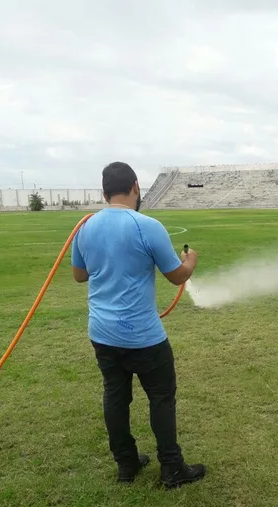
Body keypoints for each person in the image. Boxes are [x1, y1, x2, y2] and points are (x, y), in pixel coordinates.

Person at [71, 162, 206, 489]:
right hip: (143, 336)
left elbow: (79, 275)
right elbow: (176, 277)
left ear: (104, 193)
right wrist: (191, 261)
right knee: (161, 397)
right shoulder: (148, 225)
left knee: (115, 396)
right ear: (135, 187)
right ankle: (172, 468)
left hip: (101, 334)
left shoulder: (85, 228)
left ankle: (126, 464)